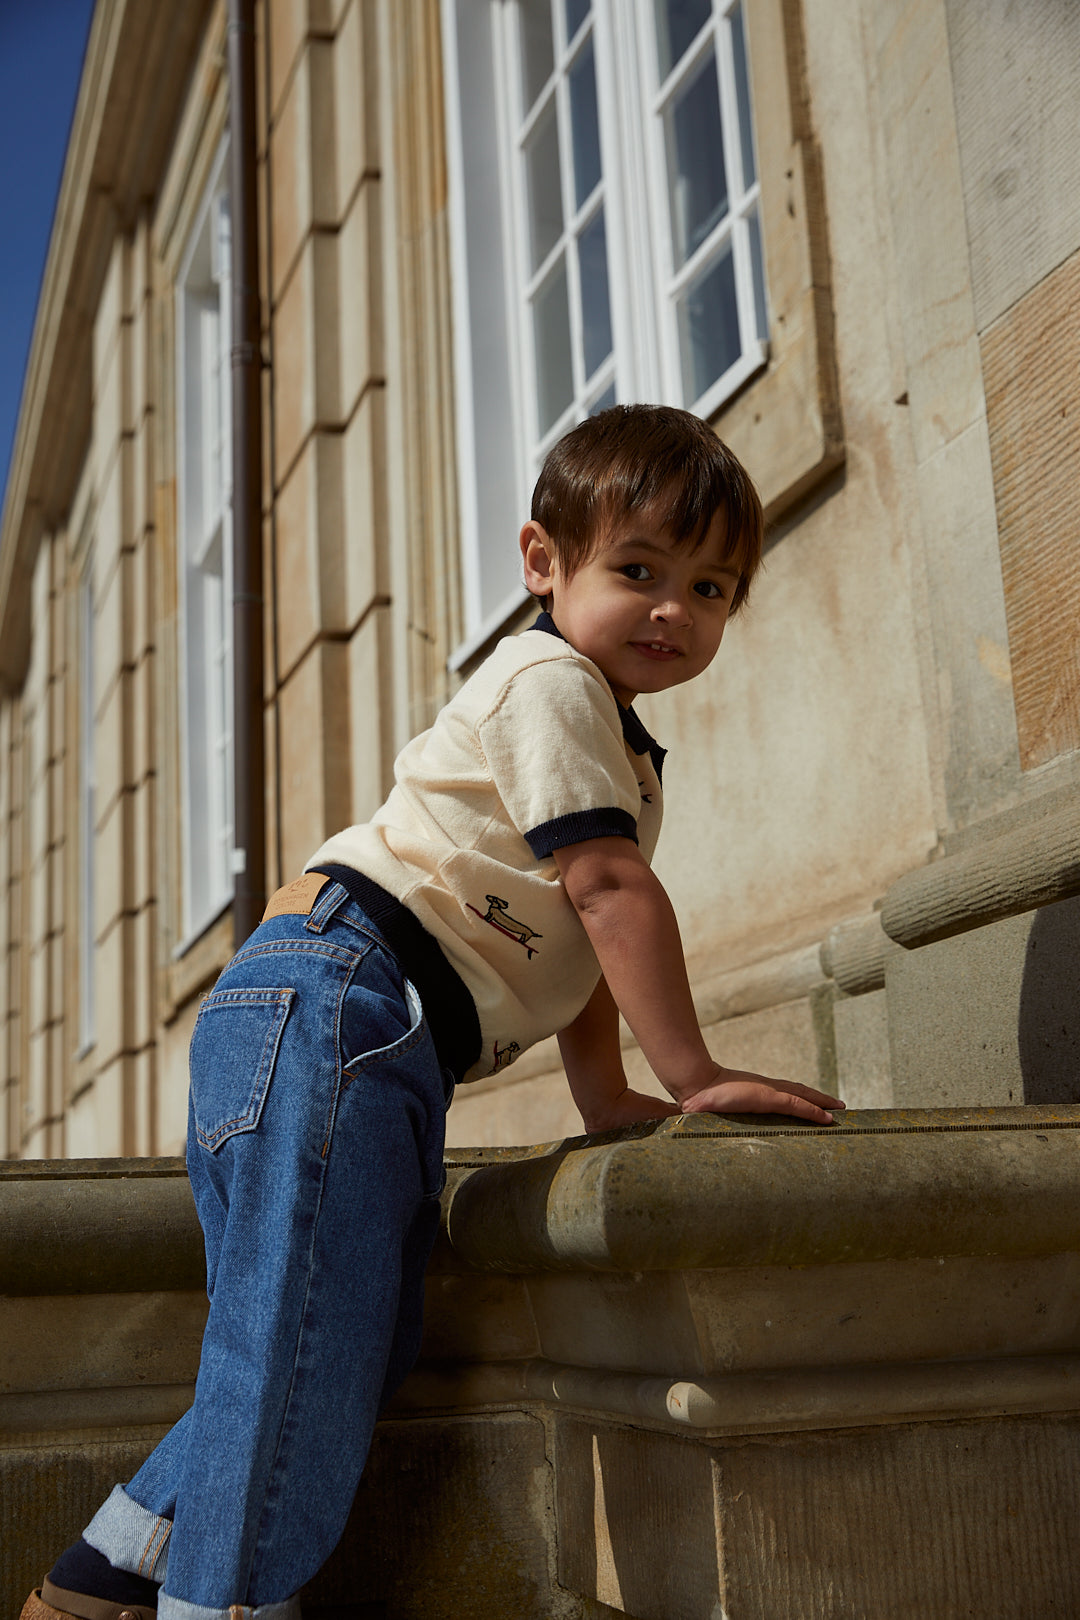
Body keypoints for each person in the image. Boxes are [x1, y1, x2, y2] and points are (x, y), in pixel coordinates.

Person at [25, 405, 843, 1620]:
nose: (677, 609)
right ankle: (222, 1604)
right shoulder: (548, 678)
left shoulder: (615, 741)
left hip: (334, 1014)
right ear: (542, 563)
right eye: (639, 571)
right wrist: (694, 1074)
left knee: (316, 1338)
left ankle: (100, 1582)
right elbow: (610, 894)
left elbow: (571, 937)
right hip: (341, 1002)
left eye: (713, 587)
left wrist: (602, 1091)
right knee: (302, 1345)